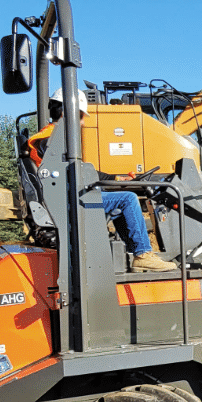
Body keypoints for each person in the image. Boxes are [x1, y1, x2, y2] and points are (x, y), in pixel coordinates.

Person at [27, 89, 176, 272]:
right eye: (80, 117)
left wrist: (114, 178)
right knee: (128, 198)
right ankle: (143, 254)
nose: (82, 124)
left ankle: (135, 253)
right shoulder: (51, 139)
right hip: (67, 202)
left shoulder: (51, 137)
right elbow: (69, 169)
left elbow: (79, 171)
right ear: (68, 113)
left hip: (64, 197)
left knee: (119, 201)